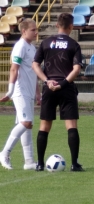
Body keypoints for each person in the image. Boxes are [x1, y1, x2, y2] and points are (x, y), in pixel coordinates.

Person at [32, 13, 84, 172]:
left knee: (44, 126)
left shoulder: (46, 42)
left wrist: (47, 81)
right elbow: (76, 69)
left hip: (49, 87)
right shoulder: (74, 44)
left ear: (57, 25)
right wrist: (62, 84)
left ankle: (40, 164)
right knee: (71, 125)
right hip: (66, 87)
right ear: (71, 27)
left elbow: (35, 64)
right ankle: (74, 164)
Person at [0, 18, 41, 170]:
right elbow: (14, 69)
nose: (36, 32)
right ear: (24, 31)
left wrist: (38, 94)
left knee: (27, 125)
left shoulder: (32, 48)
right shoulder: (20, 46)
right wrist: (10, 91)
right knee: (25, 122)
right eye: (33, 30)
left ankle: (29, 162)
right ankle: (4, 152)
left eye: (36, 30)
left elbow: (33, 72)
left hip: (29, 92)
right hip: (20, 91)